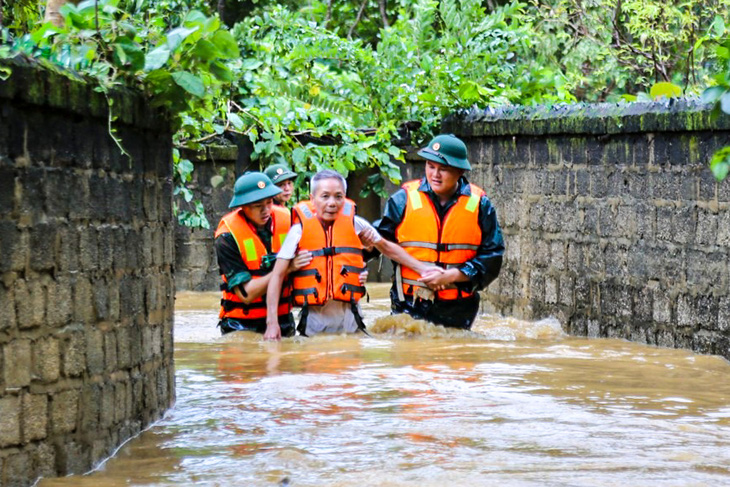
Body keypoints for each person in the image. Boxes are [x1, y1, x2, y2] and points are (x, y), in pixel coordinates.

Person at [265, 169, 437, 340]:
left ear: (345, 198)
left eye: (338, 196)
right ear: (312, 199)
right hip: (314, 320)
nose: (332, 203)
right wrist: (272, 324)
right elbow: (277, 276)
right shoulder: (298, 230)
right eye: (325, 196)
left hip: (351, 318)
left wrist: (423, 269)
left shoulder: (356, 223)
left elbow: (388, 248)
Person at [374, 134, 504, 329]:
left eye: (443, 169)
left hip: (458, 308)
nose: (435, 174)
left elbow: (492, 256)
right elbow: (380, 242)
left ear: (460, 171)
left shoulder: (479, 205)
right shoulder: (403, 199)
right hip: (409, 303)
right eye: (430, 166)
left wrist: (450, 276)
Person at [214, 172, 308, 336]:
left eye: (269, 202)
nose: (266, 210)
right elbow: (247, 294)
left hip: (283, 320)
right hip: (241, 325)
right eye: (258, 206)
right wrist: (286, 268)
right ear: (243, 206)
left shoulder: (289, 220)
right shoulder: (227, 237)